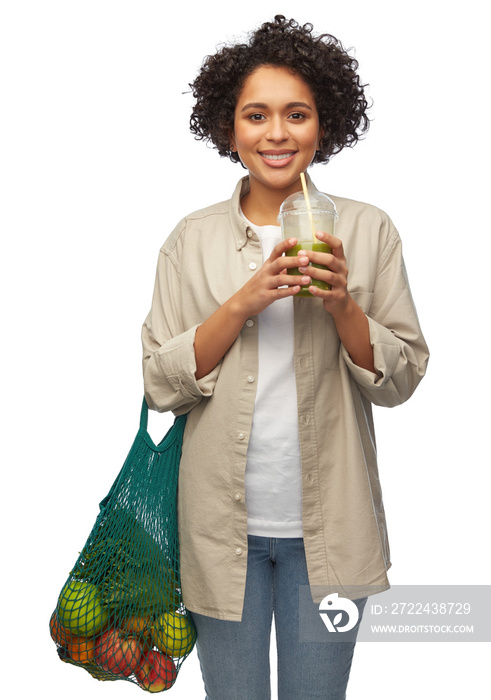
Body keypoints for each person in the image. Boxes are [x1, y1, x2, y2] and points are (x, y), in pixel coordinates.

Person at [142, 15, 429, 700]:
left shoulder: (366, 227)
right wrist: (242, 302)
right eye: (256, 115)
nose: (276, 134)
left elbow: (403, 377)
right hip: (217, 531)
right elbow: (159, 384)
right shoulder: (192, 239)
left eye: (295, 114)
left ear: (323, 123)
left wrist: (341, 306)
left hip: (331, 531)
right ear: (228, 126)